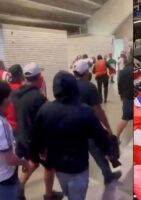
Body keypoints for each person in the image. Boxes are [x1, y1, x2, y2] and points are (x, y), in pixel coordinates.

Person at [33, 71, 113, 200]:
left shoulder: (45, 109)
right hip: (78, 168)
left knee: (67, 192)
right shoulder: (85, 111)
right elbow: (99, 136)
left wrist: (40, 150)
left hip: (58, 166)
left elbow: (36, 136)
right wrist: (108, 151)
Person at [12, 63, 63, 200]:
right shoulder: (38, 98)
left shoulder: (16, 94)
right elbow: (44, 121)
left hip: (21, 136)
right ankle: (49, 195)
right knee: (49, 166)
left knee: (33, 162)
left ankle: (20, 188)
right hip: (37, 140)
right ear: (39, 78)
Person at [73, 60, 121, 184]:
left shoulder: (70, 86)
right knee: (99, 153)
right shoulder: (89, 86)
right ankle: (108, 175)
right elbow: (98, 111)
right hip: (88, 129)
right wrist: (108, 128)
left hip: (73, 128)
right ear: (85, 72)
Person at [0, 81, 29, 200]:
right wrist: (24, 162)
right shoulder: (2, 124)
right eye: (9, 97)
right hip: (4, 178)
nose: (11, 101)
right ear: (4, 99)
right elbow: (10, 159)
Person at [116, 53, 133, 140]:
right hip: (135, 98)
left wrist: (121, 95)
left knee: (125, 118)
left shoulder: (123, 71)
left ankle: (116, 137)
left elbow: (119, 84)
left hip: (127, 97)